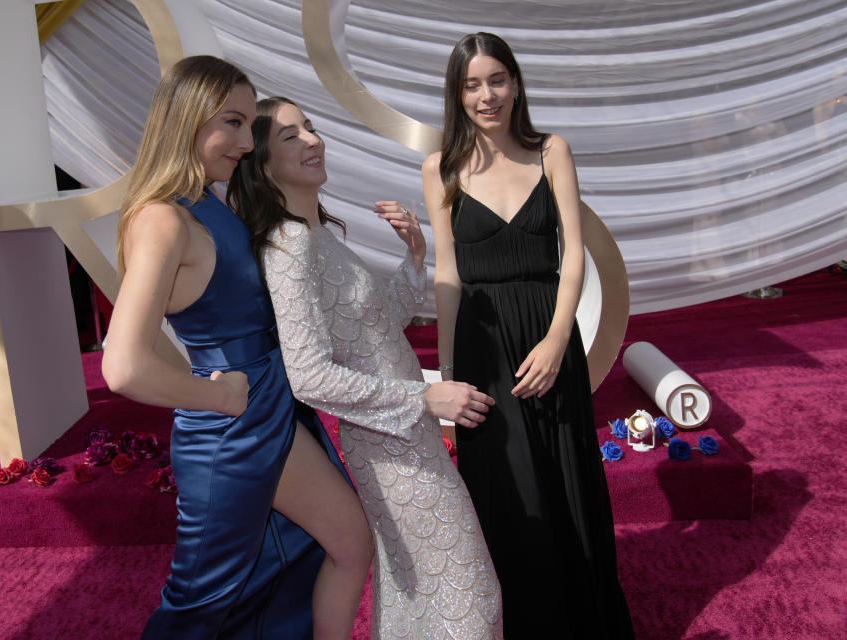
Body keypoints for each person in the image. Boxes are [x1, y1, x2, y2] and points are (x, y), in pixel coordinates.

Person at [101, 56, 371, 639]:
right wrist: (214, 395)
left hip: (266, 408)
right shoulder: (162, 220)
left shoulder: (210, 204)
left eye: (251, 126)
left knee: (333, 547)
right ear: (188, 119)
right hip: (232, 432)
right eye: (233, 123)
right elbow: (122, 366)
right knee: (203, 606)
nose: (247, 142)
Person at [228, 96, 503, 639]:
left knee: (423, 590)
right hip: (387, 445)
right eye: (290, 136)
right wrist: (424, 398)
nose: (312, 140)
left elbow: (379, 324)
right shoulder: (288, 247)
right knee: (468, 591)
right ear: (262, 164)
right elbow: (308, 376)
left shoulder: (316, 236)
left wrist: (415, 257)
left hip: (402, 437)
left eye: (310, 127)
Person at [422, 33, 635, 638]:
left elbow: (572, 257)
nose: (485, 95)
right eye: (471, 84)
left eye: (496, 80)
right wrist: (450, 372)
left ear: (515, 84)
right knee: (508, 495)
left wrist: (558, 339)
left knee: (567, 484)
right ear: (456, 94)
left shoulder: (552, 152)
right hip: (483, 352)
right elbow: (447, 273)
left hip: (550, 344)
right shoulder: (440, 169)